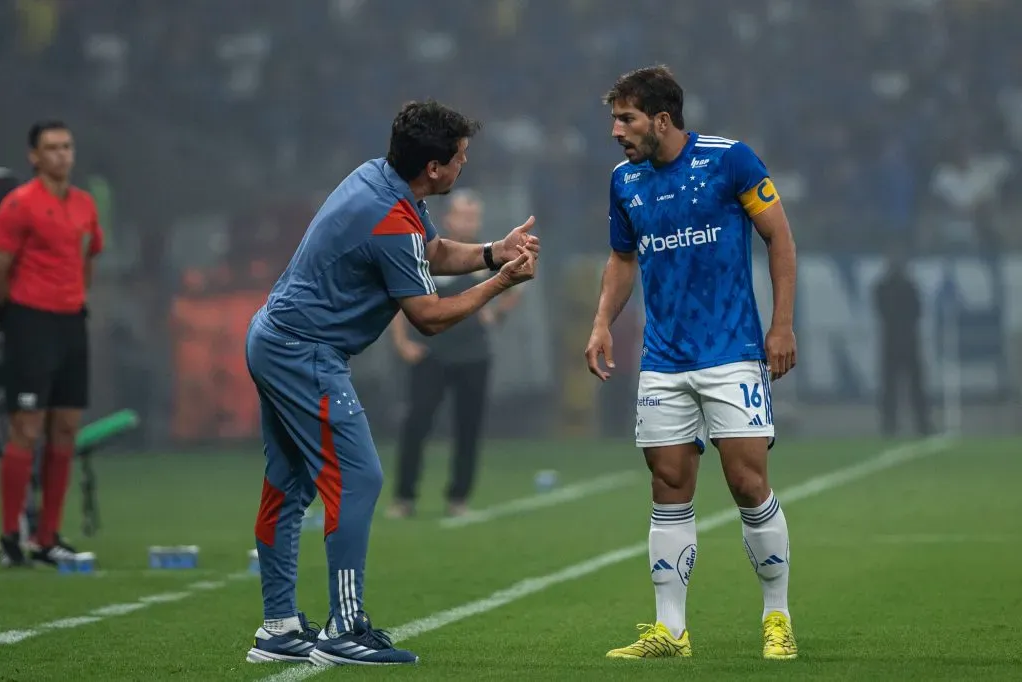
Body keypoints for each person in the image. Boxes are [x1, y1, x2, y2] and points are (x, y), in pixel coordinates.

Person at [244, 100, 538, 667]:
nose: (463, 167)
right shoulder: (391, 217)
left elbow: (425, 252)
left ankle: (279, 626)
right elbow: (426, 316)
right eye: (460, 159)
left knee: (287, 483)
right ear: (433, 167)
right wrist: (499, 282)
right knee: (358, 477)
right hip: (304, 351)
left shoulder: (378, 180)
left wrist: (488, 252)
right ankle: (345, 628)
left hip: (276, 337)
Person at [584, 66, 799, 660]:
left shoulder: (732, 160)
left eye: (625, 119)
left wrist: (780, 325)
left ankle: (776, 616)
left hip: (731, 352)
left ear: (662, 119)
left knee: (746, 483)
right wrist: (603, 322)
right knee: (668, 484)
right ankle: (670, 630)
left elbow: (779, 237)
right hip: (664, 360)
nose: (615, 132)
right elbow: (622, 258)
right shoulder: (625, 181)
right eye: (613, 119)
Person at [0, 121, 103, 568]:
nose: (62, 155)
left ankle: (47, 537)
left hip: (70, 324)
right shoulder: (18, 205)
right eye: (51, 148)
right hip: (29, 321)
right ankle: (10, 535)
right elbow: (2, 265)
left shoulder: (84, 205)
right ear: (34, 157)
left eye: (67, 146)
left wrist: (77, 299)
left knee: (64, 428)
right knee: (26, 427)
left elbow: (88, 258)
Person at [387, 189, 522, 519]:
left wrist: (497, 314)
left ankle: (458, 498)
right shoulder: (430, 254)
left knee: (468, 428)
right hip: (430, 352)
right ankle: (404, 498)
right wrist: (402, 343)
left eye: (474, 216)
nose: (468, 222)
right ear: (447, 218)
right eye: (463, 215)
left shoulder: (489, 255)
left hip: (474, 355)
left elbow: (516, 286)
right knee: (416, 423)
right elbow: (398, 300)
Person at [872, 249, 931, 436]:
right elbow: (917, 311)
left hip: (895, 341)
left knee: (902, 386)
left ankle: (899, 424)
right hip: (904, 341)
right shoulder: (906, 287)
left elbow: (881, 311)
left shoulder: (884, 287)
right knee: (902, 386)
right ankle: (912, 424)